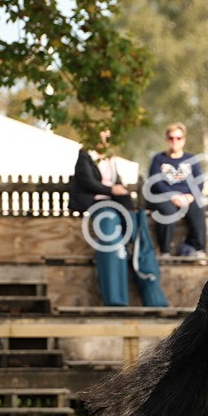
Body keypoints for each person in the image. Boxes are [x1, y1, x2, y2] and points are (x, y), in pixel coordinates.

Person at [69, 131, 138, 306]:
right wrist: (111, 190)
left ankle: (123, 298)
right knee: (111, 240)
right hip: (98, 204)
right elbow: (87, 182)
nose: (104, 141)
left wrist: (120, 190)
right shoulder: (85, 156)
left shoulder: (110, 159)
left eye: (108, 137)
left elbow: (117, 181)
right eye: (100, 136)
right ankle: (114, 299)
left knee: (130, 238)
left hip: (115, 205)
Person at [146, 123, 207, 257]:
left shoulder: (191, 159)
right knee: (168, 211)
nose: (175, 141)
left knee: (198, 207)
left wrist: (190, 196)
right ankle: (165, 251)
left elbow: (199, 181)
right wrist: (172, 196)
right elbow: (155, 183)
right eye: (171, 138)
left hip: (187, 197)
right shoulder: (158, 159)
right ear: (167, 139)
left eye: (178, 138)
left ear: (183, 140)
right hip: (163, 197)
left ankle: (199, 249)